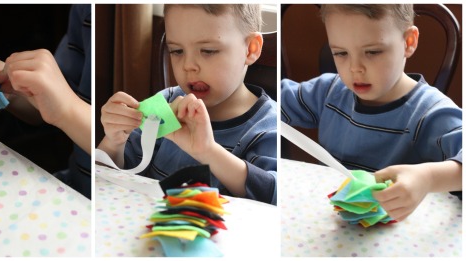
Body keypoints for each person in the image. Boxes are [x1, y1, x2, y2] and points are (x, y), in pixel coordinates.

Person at [281, 4, 462, 221]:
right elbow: (273, 104)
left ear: (408, 42)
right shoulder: (328, 92)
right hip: (330, 227)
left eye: (372, 52)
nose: (355, 68)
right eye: (341, 53)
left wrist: (428, 178)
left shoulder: (430, 113)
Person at [98, 4, 277, 205]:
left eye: (208, 51)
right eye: (177, 51)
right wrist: (114, 141)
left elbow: (273, 196)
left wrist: (207, 151)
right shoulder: (166, 104)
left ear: (250, 49)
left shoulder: (266, 126)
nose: (188, 65)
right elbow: (109, 178)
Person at [0, 4, 92, 198]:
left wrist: (68, 110)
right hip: (71, 189)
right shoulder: (87, 11)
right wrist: (12, 90)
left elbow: (141, 160)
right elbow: (50, 107)